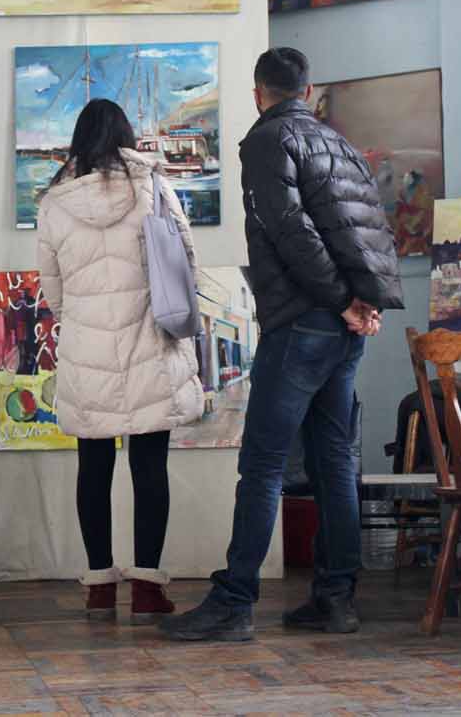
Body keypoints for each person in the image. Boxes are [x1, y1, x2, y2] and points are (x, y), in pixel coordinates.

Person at [161, 47, 404, 642]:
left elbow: (291, 231)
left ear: (257, 93)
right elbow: (370, 230)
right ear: (308, 90)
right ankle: (335, 600)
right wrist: (363, 302)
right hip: (343, 328)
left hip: (302, 323)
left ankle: (234, 603)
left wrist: (341, 301)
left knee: (263, 465)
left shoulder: (268, 141)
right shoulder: (339, 143)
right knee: (335, 462)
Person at [37, 98, 203, 624]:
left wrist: (83, 318)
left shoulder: (54, 202)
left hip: (87, 349)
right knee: (149, 465)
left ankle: (100, 588)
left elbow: (52, 289)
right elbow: (186, 259)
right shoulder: (152, 185)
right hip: (149, 340)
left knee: (93, 467)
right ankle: (148, 589)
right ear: (126, 136)